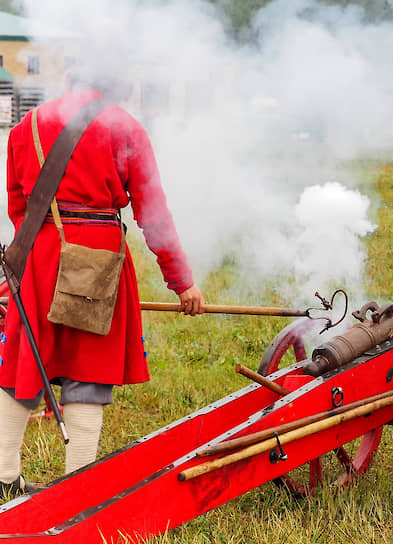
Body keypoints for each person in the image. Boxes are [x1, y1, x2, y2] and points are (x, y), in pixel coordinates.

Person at [0, 75, 205, 497]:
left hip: (36, 258)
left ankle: (3, 479)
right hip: (97, 258)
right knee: (87, 370)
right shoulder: (123, 126)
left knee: (22, 364)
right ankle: (76, 492)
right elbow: (154, 213)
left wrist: (40, 255)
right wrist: (181, 281)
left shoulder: (28, 126)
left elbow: (18, 205)